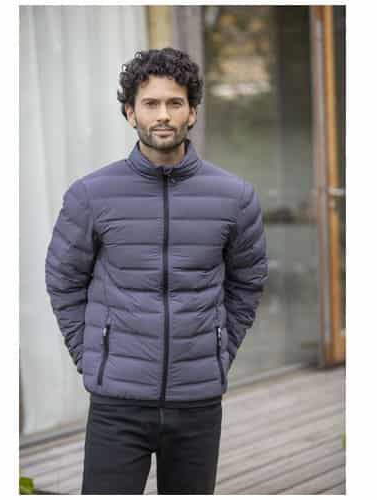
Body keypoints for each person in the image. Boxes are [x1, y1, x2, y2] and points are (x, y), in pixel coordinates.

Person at [45, 47, 268, 495]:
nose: (163, 115)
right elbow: (64, 280)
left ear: (192, 112)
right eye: (150, 103)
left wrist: (219, 350)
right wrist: (93, 356)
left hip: (197, 400)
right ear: (131, 113)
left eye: (174, 103)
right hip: (117, 403)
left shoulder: (234, 197)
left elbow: (247, 281)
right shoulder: (91, 195)